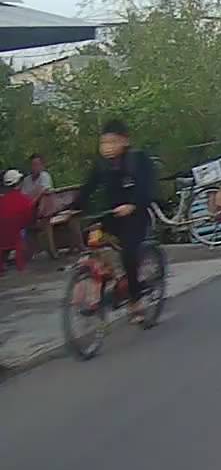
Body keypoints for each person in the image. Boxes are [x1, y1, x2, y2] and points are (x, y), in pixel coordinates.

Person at [71, 119, 156, 322]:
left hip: (136, 215)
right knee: (93, 240)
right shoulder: (101, 165)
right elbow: (88, 188)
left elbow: (147, 188)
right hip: (112, 215)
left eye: (112, 142)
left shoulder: (138, 160)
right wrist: (71, 209)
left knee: (128, 254)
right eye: (103, 143)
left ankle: (135, 300)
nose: (107, 147)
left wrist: (132, 205)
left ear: (125, 141)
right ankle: (108, 283)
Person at [1, 169, 36, 275]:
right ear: (19, 182)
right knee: (27, 231)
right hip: (16, 236)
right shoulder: (25, 201)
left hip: (2, 237)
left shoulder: (2, 201)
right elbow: (29, 220)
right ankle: (23, 261)